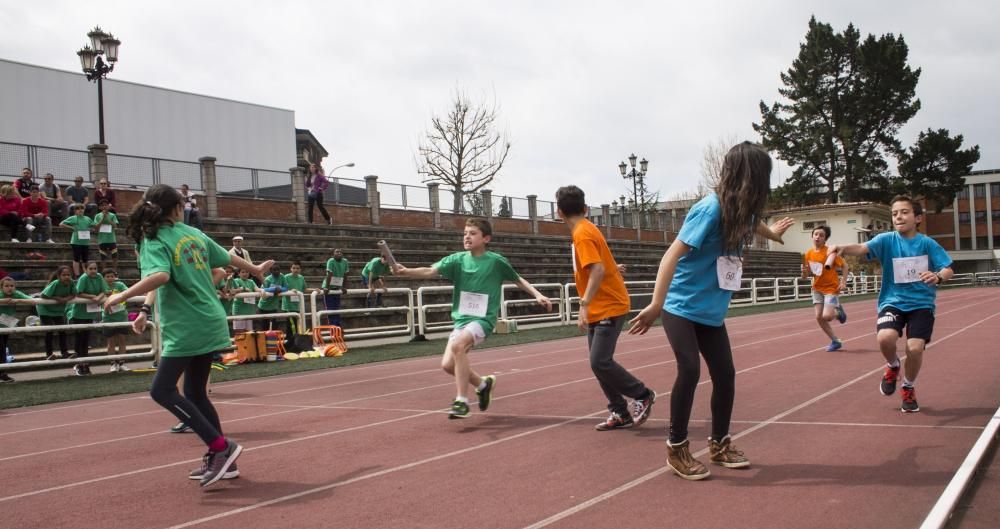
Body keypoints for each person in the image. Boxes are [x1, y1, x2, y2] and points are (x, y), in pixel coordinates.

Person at [629, 142, 794, 481]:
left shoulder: (742, 209)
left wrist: (773, 233)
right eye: (763, 176)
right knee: (689, 369)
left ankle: (719, 444)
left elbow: (753, 222)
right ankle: (676, 448)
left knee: (726, 374)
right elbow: (670, 256)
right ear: (750, 177)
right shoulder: (710, 210)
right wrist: (656, 305)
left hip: (710, 312)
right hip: (680, 306)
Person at [104, 183, 273, 488]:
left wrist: (120, 297)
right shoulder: (194, 234)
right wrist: (257, 268)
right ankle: (222, 458)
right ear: (178, 208)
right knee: (194, 393)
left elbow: (160, 276)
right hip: (209, 319)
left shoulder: (154, 238)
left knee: (162, 390)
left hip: (187, 324)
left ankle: (223, 448)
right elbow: (228, 259)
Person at [394, 218, 552, 419]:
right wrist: (406, 271)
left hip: (483, 319)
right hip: (462, 320)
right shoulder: (457, 259)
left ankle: (462, 401)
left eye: (473, 233)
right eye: (465, 233)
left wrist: (537, 294)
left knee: (459, 346)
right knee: (448, 365)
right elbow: (430, 270)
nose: (467, 236)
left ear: (486, 238)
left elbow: (517, 279)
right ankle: (483, 384)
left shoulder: (496, 261)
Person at [828, 195, 954, 413]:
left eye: (904, 212)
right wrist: (842, 248)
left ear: (917, 218)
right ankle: (894, 366)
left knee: (914, 349)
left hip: (922, 304)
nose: (898, 217)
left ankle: (908, 386)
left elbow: (948, 268)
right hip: (892, 301)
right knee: (885, 338)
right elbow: (861, 247)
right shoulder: (886, 240)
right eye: (895, 213)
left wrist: (938, 277)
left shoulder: (927, 243)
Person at [556, 185, 656, 431]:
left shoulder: (581, 234)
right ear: (586, 208)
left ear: (559, 213)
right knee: (598, 362)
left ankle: (642, 394)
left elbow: (597, 269)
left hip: (608, 305)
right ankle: (619, 412)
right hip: (603, 304)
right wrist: (614, 267)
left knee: (599, 361)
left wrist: (583, 304)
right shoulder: (588, 229)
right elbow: (601, 264)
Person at [802, 225, 848, 351]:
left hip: (831, 289)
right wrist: (804, 272)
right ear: (812, 236)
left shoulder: (830, 252)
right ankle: (835, 340)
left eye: (821, 235)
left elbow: (845, 266)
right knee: (818, 317)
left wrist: (843, 282)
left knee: (827, 316)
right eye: (816, 234)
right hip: (817, 288)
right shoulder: (808, 254)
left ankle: (838, 312)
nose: (818, 237)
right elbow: (806, 276)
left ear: (825, 239)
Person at [68, 261, 110, 376]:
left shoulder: (99, 276)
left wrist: (99, 297)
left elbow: (104, 290)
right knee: (80, 339)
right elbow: (79, 293)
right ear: (85, 269)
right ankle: (79, 364)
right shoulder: (83, 278)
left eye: (95, 268)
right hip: (79, 313)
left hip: (89, 313)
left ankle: (86, 364)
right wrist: (92, 297)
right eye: (90, 268)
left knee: (86, 340)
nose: (93, 271)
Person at [38, 265, 75, 361]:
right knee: (49, 331)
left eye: (68, 275)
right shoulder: (55, 283)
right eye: (64, 275)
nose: (67, 277)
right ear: (59, 276)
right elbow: (43, 295)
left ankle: (64, 352)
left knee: (62, 330)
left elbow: (74, 294)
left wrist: (66, 299)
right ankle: (49, 354)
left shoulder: (71, 283)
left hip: (57, 310)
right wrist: (57, 298)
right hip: (45, 309)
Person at [0, 276, 33, 382]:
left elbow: (33, 301)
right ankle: (3, 373)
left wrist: (18, 300)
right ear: (1, 287)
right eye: (6, 286)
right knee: (1, 349)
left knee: (3, 349)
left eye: (12, 286)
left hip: (6, 325)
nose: (9, 288)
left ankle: (2, 373)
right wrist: (3, 301)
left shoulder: (16, 294)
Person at [102, 269, 130, 373]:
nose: (110, 278)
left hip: (122, 317)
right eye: (107, 276)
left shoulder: (120, 285)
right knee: (111, 342)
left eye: (112, 276)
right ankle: (113, 364)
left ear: (115, 277)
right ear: (103, 278)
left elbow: (127, 292)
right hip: (108, 318)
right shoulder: (101, 286)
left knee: (122, 340)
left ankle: (122, 363)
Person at [60, 203, 95, 277]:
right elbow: (61, 224)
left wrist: (91, 229)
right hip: (76, 242)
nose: (80, 210)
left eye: (82, 208)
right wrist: (72, 228)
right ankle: (77, 274)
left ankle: (85, 273)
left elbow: (94, 226)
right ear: (75, 211)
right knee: (76, 258)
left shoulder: (87, 219)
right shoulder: (73, 218)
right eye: (78, 209)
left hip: (85, 242)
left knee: (85, 258)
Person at [322, 248, 349, 326]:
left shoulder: (345, 261)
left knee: (336, 308)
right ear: (333, 254)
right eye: (337, 252)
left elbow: (345, 274)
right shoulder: (331, 261)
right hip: (329, 287)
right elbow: (329, 274)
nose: (339, 253)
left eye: (340, 252)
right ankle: (333, 327)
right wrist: (327, 287)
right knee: (330, 309)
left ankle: (338, 327)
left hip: (337, 287)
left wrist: (344, 287)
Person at [256, 264, 288, 331]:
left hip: (273, 306)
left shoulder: (282, 277)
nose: (277, 271)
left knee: (274, 328)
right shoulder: (268, 279)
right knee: (264, 328)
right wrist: (273, 289)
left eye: (278, 269)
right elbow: (263, 289)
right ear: (271, 271)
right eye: (274, 270)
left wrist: (280, 289)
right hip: (263, 307)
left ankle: (273, 341)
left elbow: (286, 288)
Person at [281, 260, 307, 342]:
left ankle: (296, 342)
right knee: (290, 325)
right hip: (288, 306)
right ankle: (290, 342)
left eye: (297, 268)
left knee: (296, 325)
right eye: (294, 268)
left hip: (298, 305)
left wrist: (315, 289)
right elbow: (282, 289)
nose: (295, 270)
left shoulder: (301, 278)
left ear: (300, 269)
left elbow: (305, 289)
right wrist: (290, 290)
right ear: (290, 269)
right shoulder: (286, 277)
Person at [230, 268, 259, 333]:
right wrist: (244, 288)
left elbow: (257, 289)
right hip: (239, 310)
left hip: (249, 310)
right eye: (243, 272)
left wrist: (263, 291)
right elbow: (233, 290)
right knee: (239, 333)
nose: (245, 274)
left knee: (249, 332)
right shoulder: (236, 280)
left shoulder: (251, 281)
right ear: (239, 274)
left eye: (247, 272)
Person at [94, 200, 120, 271]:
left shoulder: (112, 215)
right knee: (103, 257)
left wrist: (108, 218)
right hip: (102, 239)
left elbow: (115, 226)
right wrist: (102, 219)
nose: (104, 207)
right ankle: (104, 271)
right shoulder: (97, 216)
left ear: (109, 206)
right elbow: (96, 227)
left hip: (111, 239)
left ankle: (115, 271)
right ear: (100, 207)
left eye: (106, 205)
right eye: (102, 205)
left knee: (114, 256)